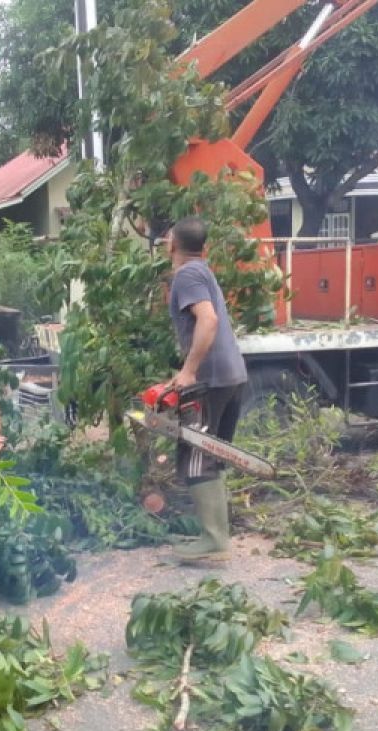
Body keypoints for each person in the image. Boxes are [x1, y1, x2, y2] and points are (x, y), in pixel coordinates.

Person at [165, 216, 248, 564]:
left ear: (172, 244)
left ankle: (214, 542)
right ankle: (215, 535)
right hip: (231, 376)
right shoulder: (203, 271)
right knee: (211, 455)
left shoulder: (187, 275)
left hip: (210, 380)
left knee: (197, 456)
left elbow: (208, 319)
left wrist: (189, 370)